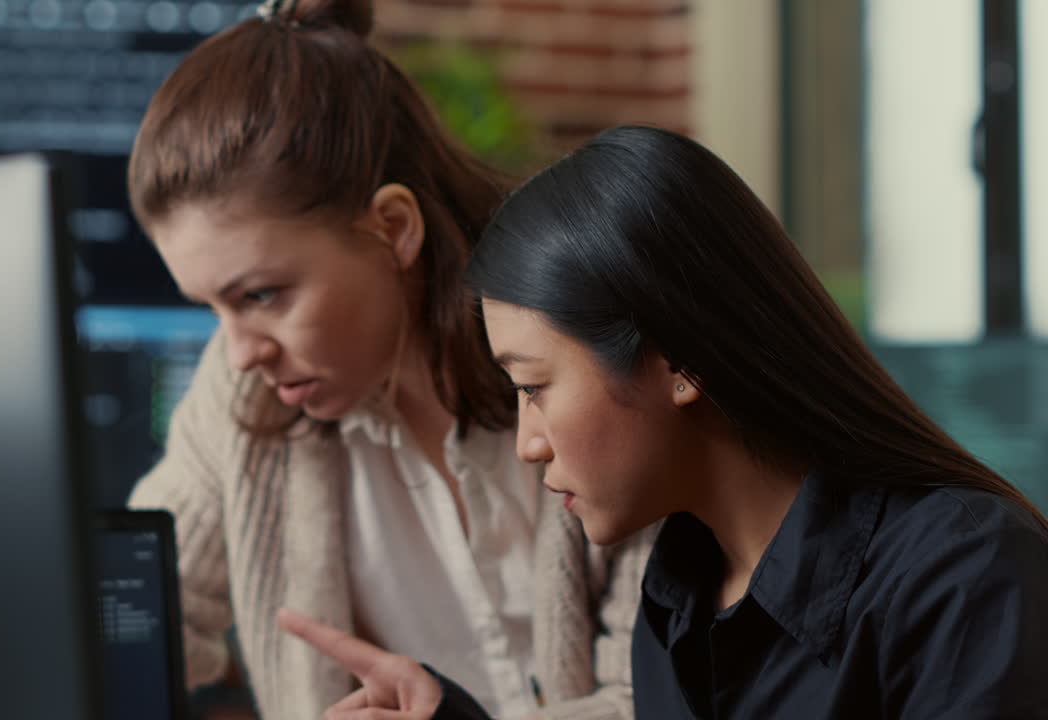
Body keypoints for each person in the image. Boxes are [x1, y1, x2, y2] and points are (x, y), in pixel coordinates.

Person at [279, 125, 1048, 719]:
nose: (527, 442)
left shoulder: (963, 578)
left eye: (534, 386)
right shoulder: (679, 595)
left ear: (678, 361)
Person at [123, 2, 657, 718]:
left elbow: (669, 699)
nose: (242, 352)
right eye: (211, 308)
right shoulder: (241, 393)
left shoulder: (592, 361)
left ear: (393, 229)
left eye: (260, 294)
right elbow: (138, 622)